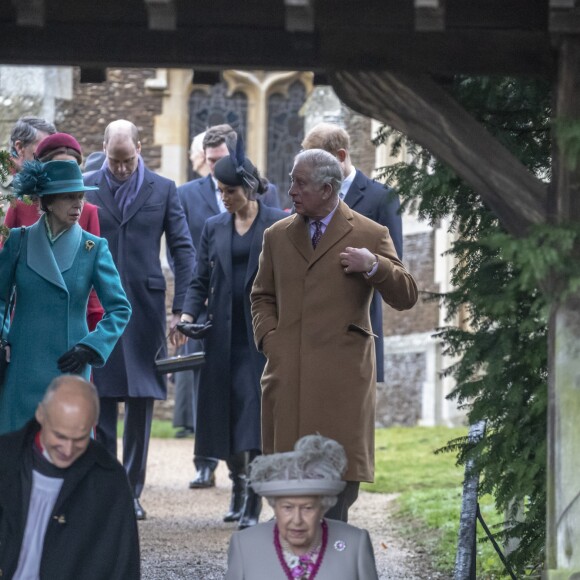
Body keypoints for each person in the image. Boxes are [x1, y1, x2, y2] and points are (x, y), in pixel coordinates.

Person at [251, 149, 418, 522]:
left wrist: (374, 266)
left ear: (328, 189)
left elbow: (406, 295)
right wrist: (271, 341)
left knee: (337, 486)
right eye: (292, 180)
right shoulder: (276, 236)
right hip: (287, 376)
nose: (290, 190)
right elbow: (262, 296)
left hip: (341, 383)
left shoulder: (370, 233)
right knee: (287, 483)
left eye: (300, 183)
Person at [84, 119, 194, 520]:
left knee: (141, 398)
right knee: (101, 397)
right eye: (114, 161)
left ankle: (131, 491)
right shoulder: (87, 183)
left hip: (146, 307)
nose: (121, 168)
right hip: (98, 305)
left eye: (127, 160)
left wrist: (182, 308)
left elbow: (183, 250)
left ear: (140, 149)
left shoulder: (163, 189)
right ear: (104, 150)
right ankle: (104, 487)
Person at [178, 144, 286, 528]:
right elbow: (199, 279)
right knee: (222, 416)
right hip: (221, 335)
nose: (223, 198)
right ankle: (239, 484)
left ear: (250, 188)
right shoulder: (213, 226)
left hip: (259, 338)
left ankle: (254, 500)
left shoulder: (278, 223)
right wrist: (187, 315)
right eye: (219, 191)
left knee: (253, 418)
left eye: (230, 191)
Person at [0, 159, 132, 435]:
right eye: (69, 197)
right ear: (46, 202)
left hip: (69, 362)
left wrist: (91, 346)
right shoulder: (18, 241)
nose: (78, 204)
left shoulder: (93, 248)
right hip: (23, 363)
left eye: (81, 196)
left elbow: (120, 309)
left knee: (67, 446)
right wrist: (3, 339)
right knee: (16, 449)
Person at [0, 375, 140, 579]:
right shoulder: (5, 458)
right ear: (41, 415)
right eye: (60, 436)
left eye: (79, 439)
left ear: (94, 424)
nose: (67, 449)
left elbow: (123, 567)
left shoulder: (110, 480)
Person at [302, 122, 403, 383]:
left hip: (358, 326)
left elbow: (394, 269)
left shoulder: (381, 199)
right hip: (311, 330)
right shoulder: (305, 200)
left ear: (341, 156)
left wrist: (369, 263)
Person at [225, 434, 379, 579]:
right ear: (274, 505)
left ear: (323, 507)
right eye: (287, 507)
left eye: (308, 508)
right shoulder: (245, 545)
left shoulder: (355, 544)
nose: (297, 520)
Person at [4, 132, 104, 330]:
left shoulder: (88, 212)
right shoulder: (19, 207)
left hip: (71, 323)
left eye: (72, 168)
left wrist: (93, 327)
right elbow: (4, 267)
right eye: (59, 167)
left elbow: (93, 276)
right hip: (27, 320)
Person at [172, 131, 210, 439]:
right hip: (197, 292)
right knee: (190, 359)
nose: (193, 159)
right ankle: (190, 422)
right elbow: (179, 249)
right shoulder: (185, 193)